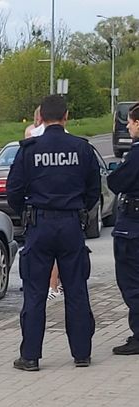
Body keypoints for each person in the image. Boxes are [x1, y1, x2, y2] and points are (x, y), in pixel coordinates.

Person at [7, 95, 100, 371]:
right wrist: (79, 211)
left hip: (40, 224)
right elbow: (94, 190)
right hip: (72, 225)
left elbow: (13, 191)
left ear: (41, 118)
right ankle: (82, 354)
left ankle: (31, 357)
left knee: (35, 292)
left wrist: (26, 212)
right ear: (66, 116)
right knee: (76, 290)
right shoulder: (81, 148)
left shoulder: (29, 149)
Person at [107, 102, 139, 355]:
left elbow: (117, 181)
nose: (127, 126)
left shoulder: (136, 154)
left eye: (130, 122)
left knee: (132, 282)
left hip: (133, 226)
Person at [25, 106, 63, 300]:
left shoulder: (30, 144)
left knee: (40, 257)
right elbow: (90, 187)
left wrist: (27, 208)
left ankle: (48, 287)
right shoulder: (76, 145)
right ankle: (53, 286)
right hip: (67, 216)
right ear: (65, 117)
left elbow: (15, 187)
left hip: (39, 215)